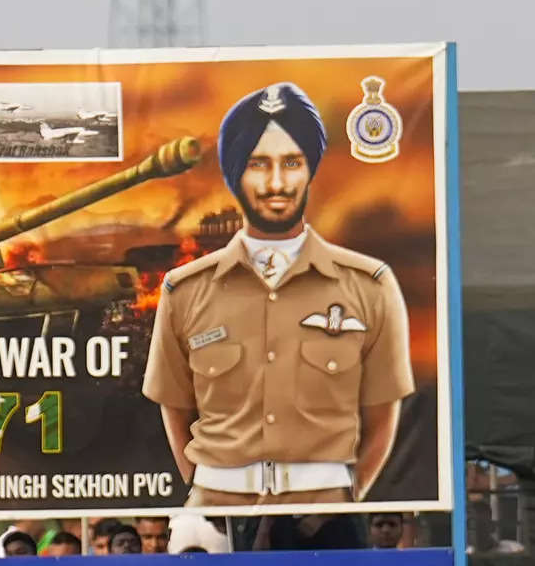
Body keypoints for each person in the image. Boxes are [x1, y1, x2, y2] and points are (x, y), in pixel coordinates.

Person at [145, 79, 414, 513]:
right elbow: (174, 407)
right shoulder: (185, 291)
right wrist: (206, 487)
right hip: (215, 508)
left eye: (292, 162)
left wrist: (345, 499)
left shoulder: (368, 285)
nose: (276, 182)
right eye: (257, 164)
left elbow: (382, 415)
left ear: (310, 169)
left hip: (325, 509)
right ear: (235, 175)